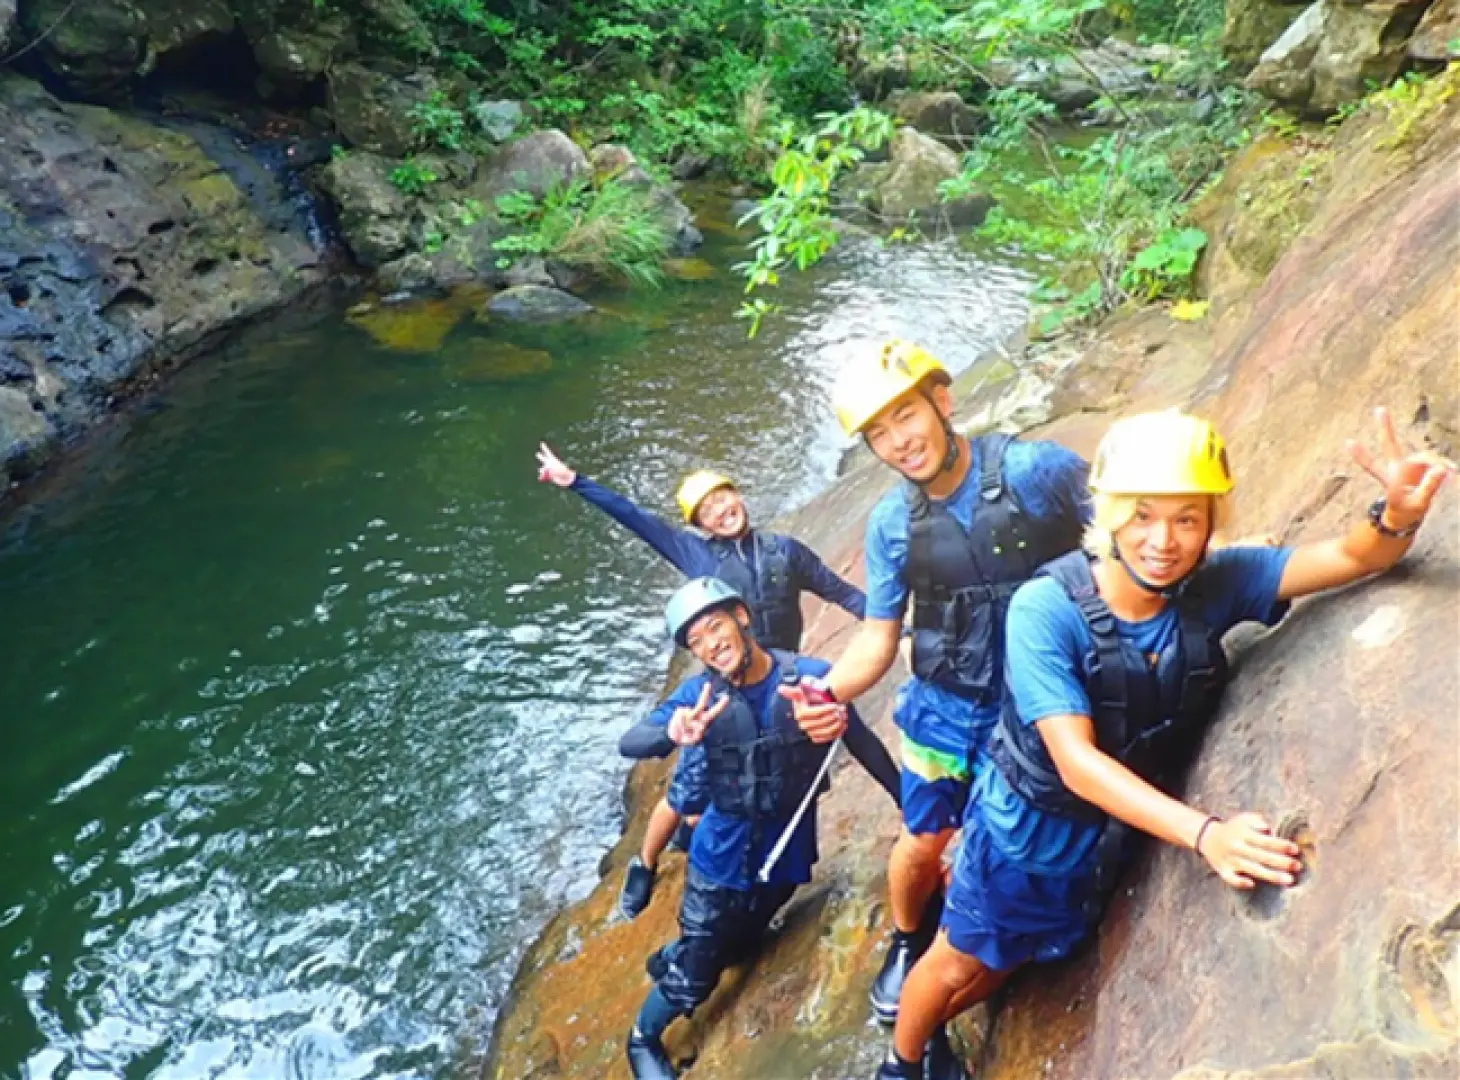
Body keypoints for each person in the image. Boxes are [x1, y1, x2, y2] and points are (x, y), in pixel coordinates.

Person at [876, 408, 1452, 1079]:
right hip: (1023, 836)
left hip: (1103, 840)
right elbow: (1077, 762)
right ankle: (902, 1061)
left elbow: (1355, 556)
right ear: (1110, 514)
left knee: (1004, 962)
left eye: (1188, 518)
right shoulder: (1045, 610)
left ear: (1211, 521)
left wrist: (1397, 513)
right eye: (1143, 515)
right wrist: (1208, 835)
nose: (1164, 540)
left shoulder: (1216, 582)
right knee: (960, 960)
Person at [792, 341, 1090, 1042]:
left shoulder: (1032, 470)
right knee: (924, 840)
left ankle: (963, 959)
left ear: (943, 401)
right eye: (879, 434)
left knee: (993, 845)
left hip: (1028, 708)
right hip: (942, 707)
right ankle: (905, 937)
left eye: (906, 416)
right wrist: (825, 690)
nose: (898, 442)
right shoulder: (892, 524)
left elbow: (1120, 528)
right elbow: (876, 636)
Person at [536, 444, 867, 919]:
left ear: (739, 496)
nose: (721, 510)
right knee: (687, 788)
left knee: (778, 777)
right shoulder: (694, 553)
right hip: (722, 688)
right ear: (700, 525)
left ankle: (747, 872)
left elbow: (837, 590)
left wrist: (888, 619)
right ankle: (645, 863)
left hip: (774, 679)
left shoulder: (783, 551)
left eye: (723, 497)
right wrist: (576, 482)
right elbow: (636, 518)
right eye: (707, 509)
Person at [619, 578, 901, 1079]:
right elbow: (631, 741)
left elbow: (864, 745)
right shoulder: (697, 697)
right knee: (699, 973)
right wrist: (670, 729)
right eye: (697, 641)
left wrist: (909, 806)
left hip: (786, 853)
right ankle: (642, 1038)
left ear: (742, 617)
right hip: (720, 859)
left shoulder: (809, 678)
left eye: (715, 626)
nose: (711, 644)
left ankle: (686, 950)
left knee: (745, 941)